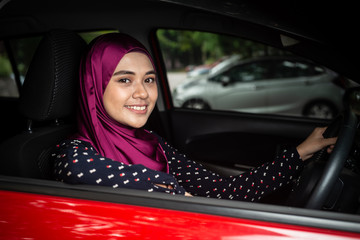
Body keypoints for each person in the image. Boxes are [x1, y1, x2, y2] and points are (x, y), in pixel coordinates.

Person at [52, 33, 337, 202]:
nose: (143, 93)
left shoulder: (154, 144)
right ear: (94, 88)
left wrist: (300, 153)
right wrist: (174, 192)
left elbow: (224, 190)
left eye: (149, 80)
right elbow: (76, 170)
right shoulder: (75, 153)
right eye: (125, 80)